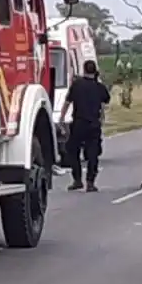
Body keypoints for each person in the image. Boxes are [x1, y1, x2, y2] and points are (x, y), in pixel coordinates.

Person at [60, 60, 111, 192]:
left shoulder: (76, 85)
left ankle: (77, 180)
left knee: (73, 151)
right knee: (93, 154)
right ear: (95, 71)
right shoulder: (99, 87)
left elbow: (67, 102)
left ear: (84, 70)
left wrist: (61, 118)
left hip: (78, 123)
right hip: (93, 124)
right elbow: (105, 101)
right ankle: (90, 182)